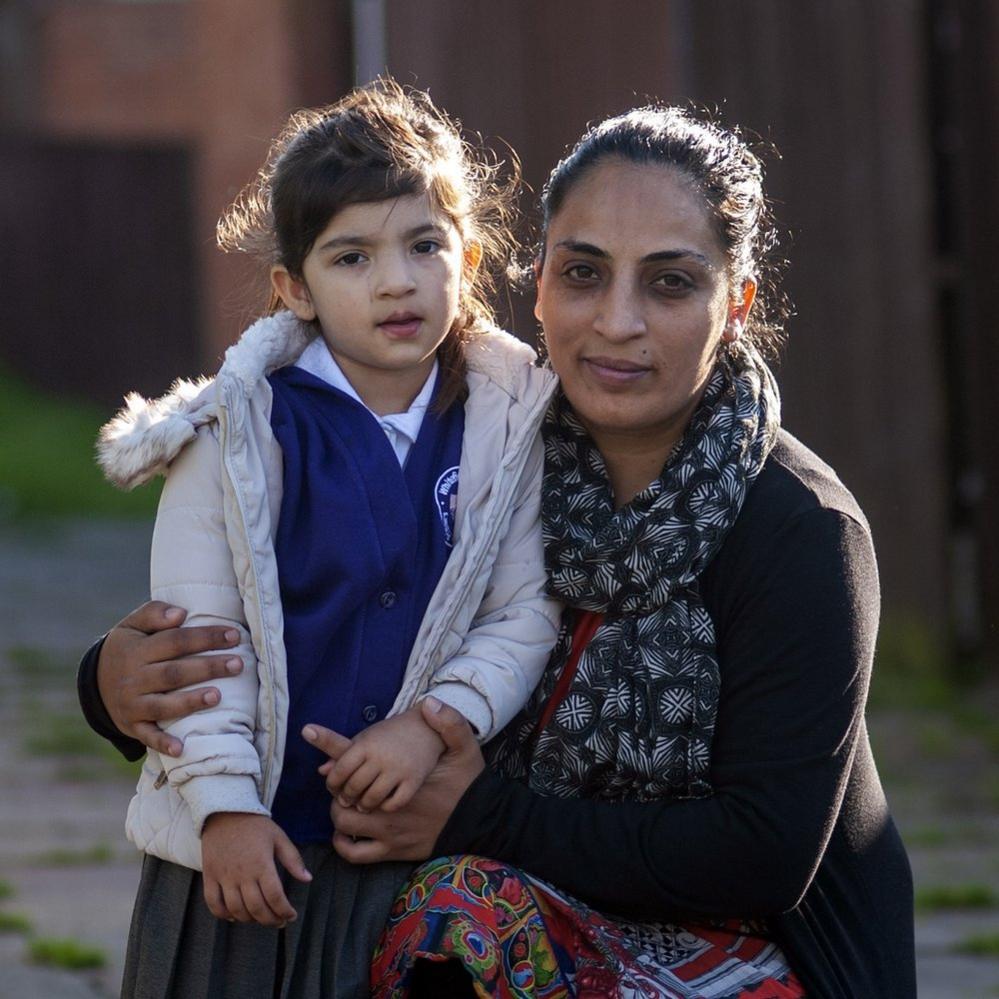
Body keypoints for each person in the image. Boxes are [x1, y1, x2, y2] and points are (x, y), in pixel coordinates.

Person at [81, 104, 916, 998]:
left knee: (461, 914)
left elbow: (760, 853)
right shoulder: (501, 440)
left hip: (748, 950)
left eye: (670, 284)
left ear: (735, 302)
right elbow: (289, 601)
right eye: (584, 273)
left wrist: (477, 817)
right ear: (538, 279)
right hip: (476, 902)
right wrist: (109, 684)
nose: (618, 322)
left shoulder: (799, 527)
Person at [87, 79, 561, 997]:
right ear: (293, 289)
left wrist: (432, 727)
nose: (396, 279)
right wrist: (222, 810)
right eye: (351, 257)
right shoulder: (233, 440)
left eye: (425, 245)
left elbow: (522, 610)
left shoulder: (505, 425)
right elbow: (199, 647)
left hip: (405, 848)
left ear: (465, 256)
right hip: (242, 852)